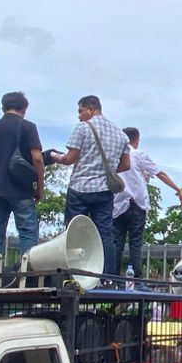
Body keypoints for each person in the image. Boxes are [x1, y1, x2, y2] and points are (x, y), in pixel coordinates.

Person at [45, 94, 130, 277]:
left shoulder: (83, 128)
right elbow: (126, 165)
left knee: (74, 232)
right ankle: (107, 277)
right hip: (105, 191)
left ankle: (74, 274)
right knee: (104, 234)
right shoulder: (121, 135)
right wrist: (104, 169)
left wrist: (55, 156)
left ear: (91, 109)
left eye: (80, 111)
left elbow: (70, 159)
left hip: (80, 189)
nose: (79, 115)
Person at [0, 90, 46, 264]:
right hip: (21, 190)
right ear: (24, 108)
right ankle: (28, 275)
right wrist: (40, 187)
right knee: (27, 232)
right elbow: (37, 159)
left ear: (3, 108)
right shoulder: (28, 127)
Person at [113, 127, 182, 280]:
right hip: (137, 203)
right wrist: (178, 189)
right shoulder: (139, 155)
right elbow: (160, 174)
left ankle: (112, 278)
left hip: (118, 204)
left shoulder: (114, 155)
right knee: (135, 243)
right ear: (136, 140)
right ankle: (136, 279)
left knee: (116, 243)